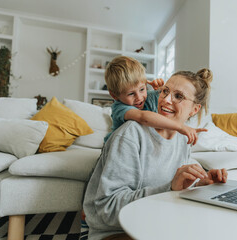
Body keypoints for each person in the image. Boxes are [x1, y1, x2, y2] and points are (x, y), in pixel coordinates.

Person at [83, 68, 228, 240]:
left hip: (158, 224)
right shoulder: (130, 134)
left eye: (178, 96)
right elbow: (107, 209)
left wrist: (199, 185)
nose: (166, 100)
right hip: (118, 231)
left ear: (194, 109)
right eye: (165, 91)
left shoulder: (182, 141)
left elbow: (174, 191)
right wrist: (170, 188)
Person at [103, 56, 206, 145]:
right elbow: (143, 117)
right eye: (131, 94)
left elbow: (166, 96)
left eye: (142, 89)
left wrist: (161, 88)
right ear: (115, 95)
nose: (139, 97)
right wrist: (180, 127)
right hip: (118, 148)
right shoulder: (120, 107)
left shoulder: (146, 97)